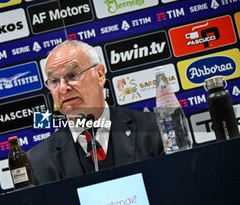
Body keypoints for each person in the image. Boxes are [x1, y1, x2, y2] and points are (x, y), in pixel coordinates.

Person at [26, 40, 163, 185]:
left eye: (72, 75)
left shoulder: (155, 128)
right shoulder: (37, 162)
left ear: (100, 74)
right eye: (54, 81)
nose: (62, 88)